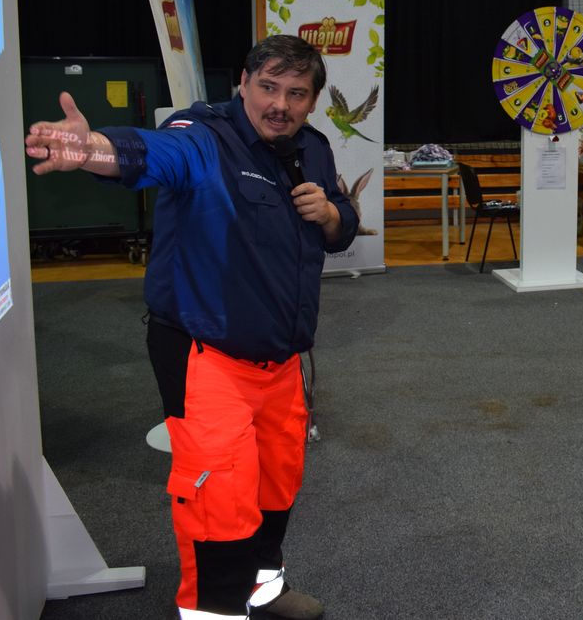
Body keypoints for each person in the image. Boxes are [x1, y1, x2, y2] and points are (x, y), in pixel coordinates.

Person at [24, 35, 358, 620]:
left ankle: (263, 589)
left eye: (296, 93)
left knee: (276, 483)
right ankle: (212, 612)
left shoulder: (313, 148)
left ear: (312, 102)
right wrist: (93, 149)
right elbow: (151, 154)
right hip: (207, 354)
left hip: (281, 359)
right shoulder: (205, 137)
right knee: (219, 497)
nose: (280, 104)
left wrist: (331, 215)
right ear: (243, 83)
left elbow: (342, 221)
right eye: (268, 87)